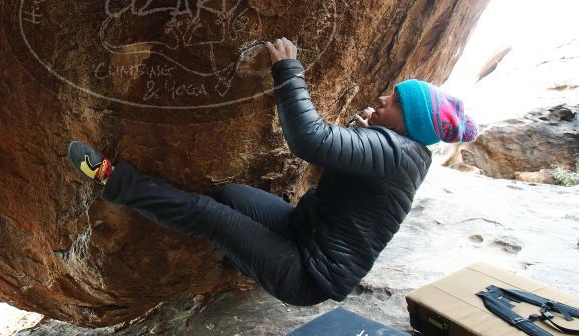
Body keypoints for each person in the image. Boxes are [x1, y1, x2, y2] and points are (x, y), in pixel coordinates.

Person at [68, 37, 479, 305]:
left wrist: (288, 70)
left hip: (310, 275)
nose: (383, 97)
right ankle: (249, 259)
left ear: (409, 123)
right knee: (229, 196)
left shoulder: (395, 152)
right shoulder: (399, 149)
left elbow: (310, 140)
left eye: (395, 101)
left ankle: (109, 176)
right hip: (301, 230)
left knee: (209, 216)